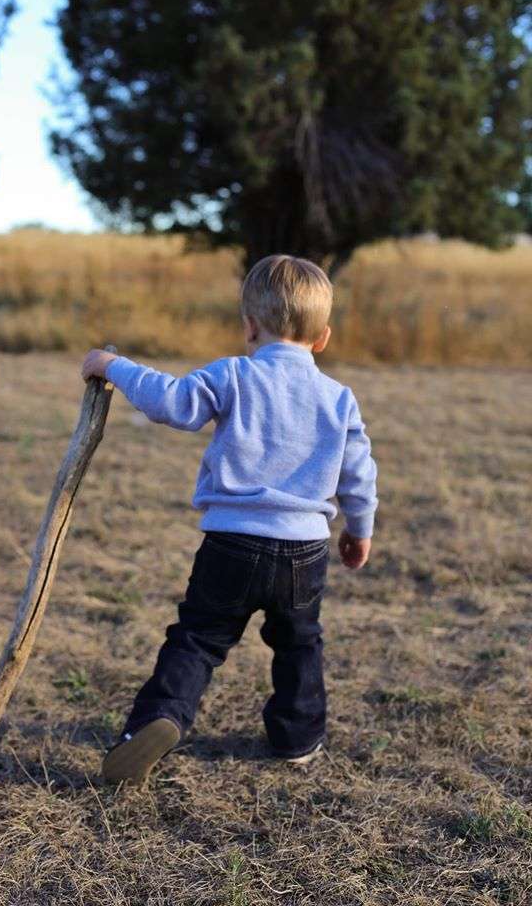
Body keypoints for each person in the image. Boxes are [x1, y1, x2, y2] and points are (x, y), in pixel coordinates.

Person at [81, 254, 378, 785]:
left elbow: (171, 403)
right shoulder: (338, 398)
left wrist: (112, 366)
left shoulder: (233, 374)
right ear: (324, 338)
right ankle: (297, 737)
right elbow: (358, 472)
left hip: (231, 544)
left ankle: (160, 718)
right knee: (300, 642)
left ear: (248, 326)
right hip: (303, 551)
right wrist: (361, 528)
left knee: (196, 639)